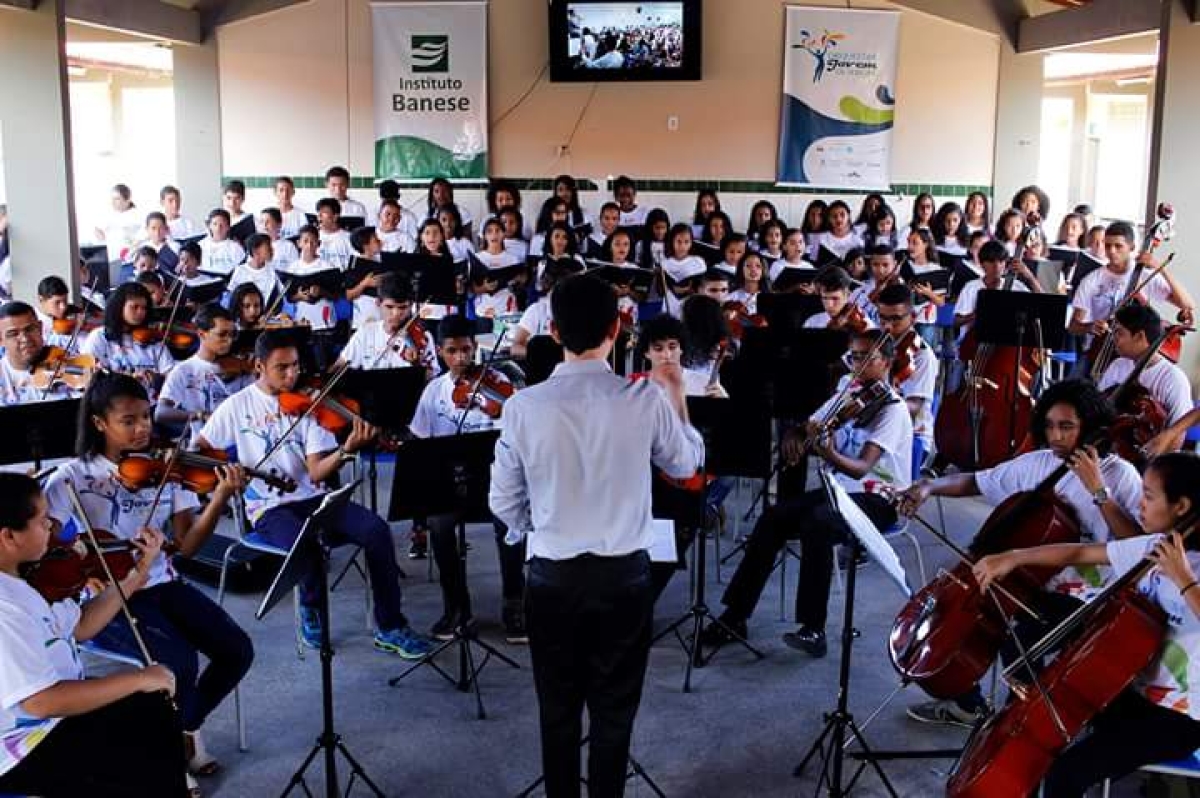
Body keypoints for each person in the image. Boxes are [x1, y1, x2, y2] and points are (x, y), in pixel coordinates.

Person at [490, 273, 704, 798]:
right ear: (618, 329)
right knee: (615, 710)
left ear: (555, 332)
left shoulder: (522, 407)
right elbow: (686, 463)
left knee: (557, 709)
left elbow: (501, 502)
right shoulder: (644, 400)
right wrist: (677, 397)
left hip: (552, 575)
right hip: (624, 577)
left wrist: (535, 533)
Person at [44, 373, 254, 784]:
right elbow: (47, 550)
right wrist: (83, 577)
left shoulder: (167, 470)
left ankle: (184, 728)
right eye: (128, 420)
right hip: (109, 598)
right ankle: (169, 756)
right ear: (99, 423)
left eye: (145, 417)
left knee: (237, 650)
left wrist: (219, 499)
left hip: (162, 582)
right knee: (177, 661)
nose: (142, 428)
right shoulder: (70, 478)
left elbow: (188, 546)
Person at [897, 379, 1143, 726]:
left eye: (1067, 427)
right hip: (1023, 578)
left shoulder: (1121, 476)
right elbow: (977, 481)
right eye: (1049, 425)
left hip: (1085, 593)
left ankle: (1026, 721)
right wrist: (929, 486)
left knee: (1018, 635)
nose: (1055, 436)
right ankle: (967, 704)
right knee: (961, 615)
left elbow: (1137, 546)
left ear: (1090, 428)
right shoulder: (1039, 463)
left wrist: (1098, 491)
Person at [972, 452, 1200, 797]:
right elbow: (1080, 553)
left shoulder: (1187, 565)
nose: (1140, 503)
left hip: (1178, 719)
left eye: (1149, 496)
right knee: (1042, 627)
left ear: (1181, 506)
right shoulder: (1157, 545)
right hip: (1129, 689)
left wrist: (1184, 579)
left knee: (1065, 775)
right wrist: (1014, 557)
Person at [197, 330, 433, 658]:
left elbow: (316, 472)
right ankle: (311, 608)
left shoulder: (311, 406)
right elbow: (202, 449)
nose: (293, 374)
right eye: (282, 368)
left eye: (295, 365)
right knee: (305, 546)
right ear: (259, 366)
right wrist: (225, 473)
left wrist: (346, 450)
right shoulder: (236, 407)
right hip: (270, 508)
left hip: (315, 498)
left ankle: (390, 625)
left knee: (377, 531)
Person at [702, 329, 912, 658]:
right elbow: (812, 423)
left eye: (864, 358)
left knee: (819, 523)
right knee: (773, 517)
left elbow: (860, 468)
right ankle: (735, 616)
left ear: (886, 362)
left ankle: (813, 628)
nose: (856, 364)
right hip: (839, 492)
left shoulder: (892, 410)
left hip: (881, 499)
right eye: (853, 357)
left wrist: (826, 453)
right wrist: (795, 434)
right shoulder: (849, 391)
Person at [0, 472, 187, 798]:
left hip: (51, 722)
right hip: (22, 749)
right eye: (43, 520)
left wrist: (137, 573)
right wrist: (140, 678)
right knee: (148, 730)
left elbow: (80, 625)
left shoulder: (25, 577)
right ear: (9, 537)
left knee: (154, 713)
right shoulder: (6, 608)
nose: (52, 528)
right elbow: (40, 702)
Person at [409, 315, 527, 643]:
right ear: (442, 353)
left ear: (475, 348)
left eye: (466, 349)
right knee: (439, 523)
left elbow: (518, 431)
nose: (461, 358)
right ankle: (457, 607)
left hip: (496, 478)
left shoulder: (499, 381)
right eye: (452, 351)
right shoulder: (434, 392)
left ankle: (514, 604)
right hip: (453, 481)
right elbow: (421, 443)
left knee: (511, 520)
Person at [1068, 221, 1195, 350]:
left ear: (1132, 247)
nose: (1112, 251)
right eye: (1108, 246)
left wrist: (1159, 268)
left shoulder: (1144, 276)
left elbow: (1187, 305)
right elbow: (1073, 326)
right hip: (1097, 350)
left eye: (1118, 246)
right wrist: (1090, 326)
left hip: (1136, 352)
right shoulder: (1091, 280)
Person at [156, 303, 246, 440]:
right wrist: (199, 415)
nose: (229, 341)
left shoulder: (241, 367)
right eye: (222, 335)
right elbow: (160, 413)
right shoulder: (184, 370)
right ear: (202, 334)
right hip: (204, 442)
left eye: (232, 335)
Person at [875, 284, 939, 474]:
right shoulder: (876, 345)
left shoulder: (922, 356)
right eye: (883, 318)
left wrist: (878, 403)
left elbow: (913, 406)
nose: (887, 326)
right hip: (880, 426)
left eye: (895, 319)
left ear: (912, 317)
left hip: (911, 434)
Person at [1096, 303, 1193, 425]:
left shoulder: (1174, 379)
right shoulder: (1118, 365)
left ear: (1139, 336)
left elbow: (1176, 437)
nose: (1113, 338)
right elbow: (1099, 409)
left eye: (1119, 333)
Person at [81, 282, 176, 399]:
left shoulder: (152, 340)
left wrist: (156, 378)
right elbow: (87, 378)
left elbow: (173, 379)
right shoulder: (100, 337)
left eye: (144, 308)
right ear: (119, 306)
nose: (141, 312)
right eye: (134, 307)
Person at [334, 273, 438, 374]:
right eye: (389, 307)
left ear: (411, 305)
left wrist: (416, 364)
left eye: (402, 307)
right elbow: (339, 366)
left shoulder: (424, 336)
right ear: (378, 303)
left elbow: (432, 377)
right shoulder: (365, 332)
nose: (396, 314)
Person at [0, 300, 81, 405]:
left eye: (30, 329)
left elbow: (84, 374)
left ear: (40, 328)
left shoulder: (62, 360)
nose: (25, 339)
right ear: (1, 340)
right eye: (13, 334)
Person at [35, 275, 79, 353]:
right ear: (41, 300)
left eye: (65, 301)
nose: (63, 307)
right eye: (57, 302)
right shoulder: (33, 320)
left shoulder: (72, 316)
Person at [197, 209, 246, 276]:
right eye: (215, 224)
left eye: (222, 225)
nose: (218, 228)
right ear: (209, 226)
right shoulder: (200, 245)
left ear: (228, 227)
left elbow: (242, 270)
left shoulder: (235, 247)